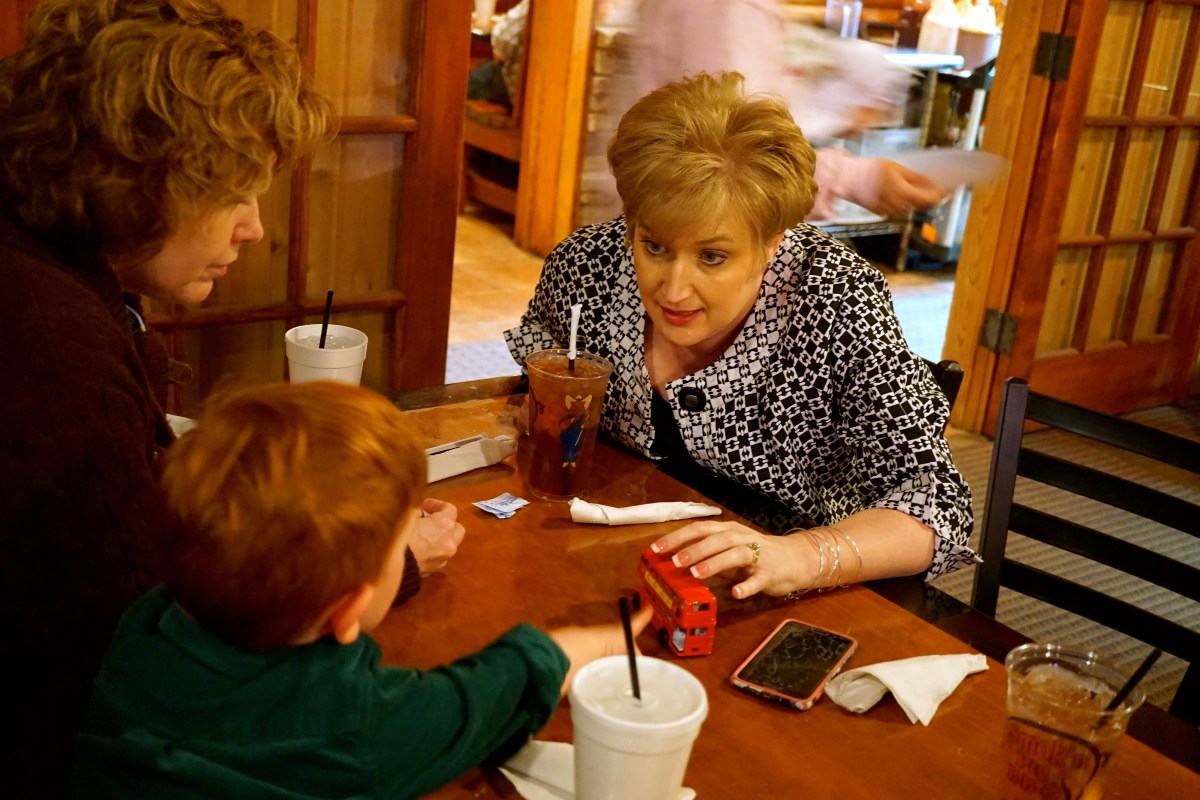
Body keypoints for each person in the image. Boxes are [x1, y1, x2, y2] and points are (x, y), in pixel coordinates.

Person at [0, 1, 458, 793]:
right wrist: (372, 571)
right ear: (131, 180)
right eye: (232, 194)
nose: (253, 227)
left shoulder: (54, 265)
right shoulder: (51, 349)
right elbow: (154, 657)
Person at [505, 72, 975, 604]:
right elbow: (538, 385)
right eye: (654, 246)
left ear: (773, 242)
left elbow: (935, 505)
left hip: (783, 589)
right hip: (609, 559)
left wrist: (801, 555)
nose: (673, 290)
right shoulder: (588, 264)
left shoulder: (835, 297)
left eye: (712, 256)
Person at [71, 380, 649, 798]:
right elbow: (468, 708)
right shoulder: (346, 727)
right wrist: (559, 653)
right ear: (347, 610)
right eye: (402, 539)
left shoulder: (144, 622)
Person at [630, 0, 947, 220]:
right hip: (678, 224)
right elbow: (736, 156)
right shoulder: (732, 9)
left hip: (663, 218)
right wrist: (858, 179)